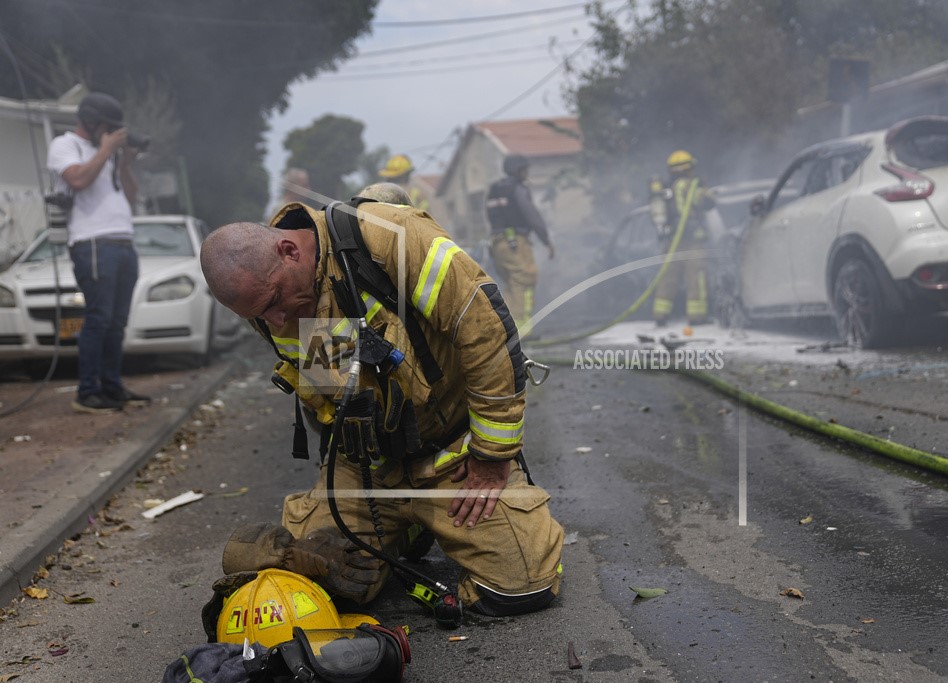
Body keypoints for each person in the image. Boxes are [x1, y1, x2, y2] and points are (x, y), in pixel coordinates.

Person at [199, 199, 564, 617]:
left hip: (451, 456)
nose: (278, 318)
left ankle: (418, 521)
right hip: (369, 465)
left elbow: (486, 332)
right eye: (261, 313)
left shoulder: (391, 237)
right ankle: (401, 527)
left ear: (289, 250)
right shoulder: (271, 300)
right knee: (314, 584)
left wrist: (490, 456)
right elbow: (329, 384)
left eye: (276, 299)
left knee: (522, 586)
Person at [46, 92, 151, 414]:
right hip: (92, 242)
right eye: (108, 126)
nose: (113, 132)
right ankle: (87, 391)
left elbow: (131, 198)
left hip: (123, 241)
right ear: (91, 122)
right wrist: (106, 150)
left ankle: (111, 385)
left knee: (117, 321)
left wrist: (125, 163)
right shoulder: (65, 145)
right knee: (98, 318)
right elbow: (77, 179)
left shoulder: (109, 156)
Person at [484, 154, 555, 328]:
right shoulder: (517, 189)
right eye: (525, 169)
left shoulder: (494, 189)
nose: (527, 173)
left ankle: (507, 328)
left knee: (513, 284)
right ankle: (521, 328)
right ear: (518, 170)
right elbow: (532, 216)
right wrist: (546, 241)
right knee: (524, 279)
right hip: (514, 242)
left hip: (497, 243)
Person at [650, 150, 716, 327]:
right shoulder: (690, 186)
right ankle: (697, 317)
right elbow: (708, 202)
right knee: (697, 278)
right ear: (689, 168)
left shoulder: (665, 191)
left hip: (671, 242)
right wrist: (707, 190)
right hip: (692, 242)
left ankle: (660, 315)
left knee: (667, 279)